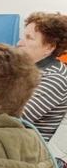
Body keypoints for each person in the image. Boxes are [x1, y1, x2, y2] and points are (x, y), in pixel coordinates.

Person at [17, 11, 67, 139]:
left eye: (29, 38)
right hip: (9, 139)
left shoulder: (55, 77)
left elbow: (16, 118)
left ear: (49, 47)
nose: (19, 43)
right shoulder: (26, 68)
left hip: (25, 151)